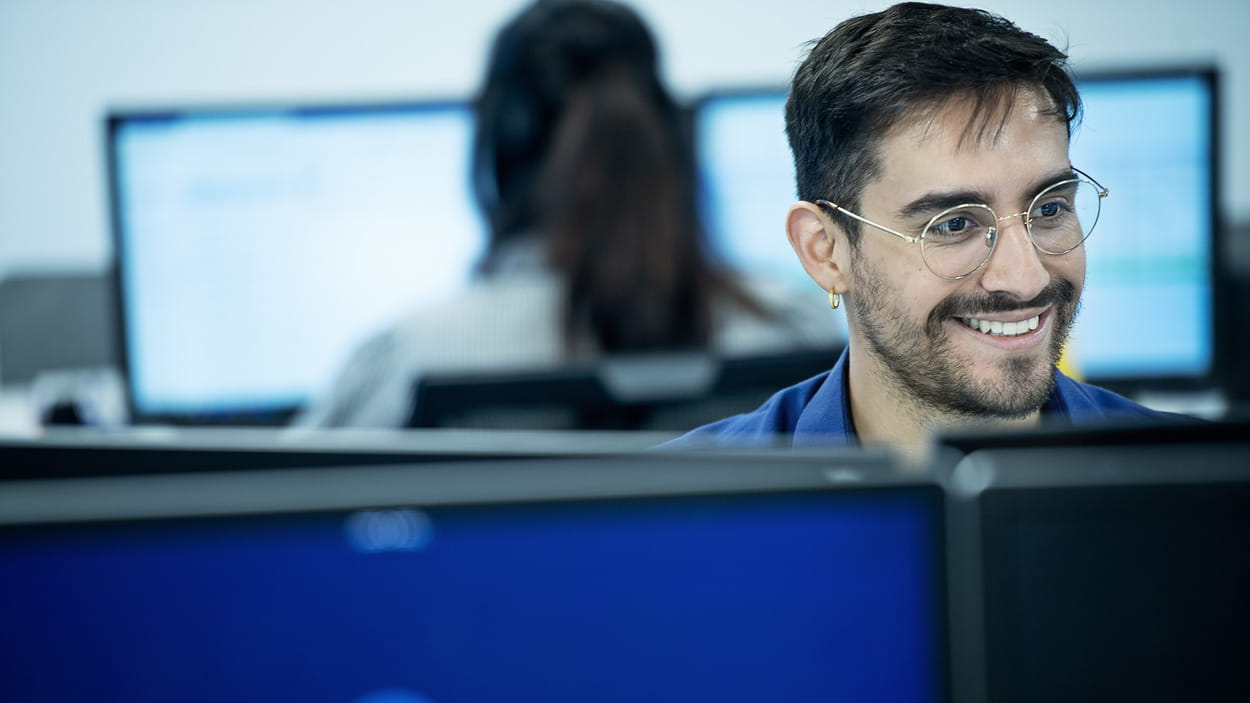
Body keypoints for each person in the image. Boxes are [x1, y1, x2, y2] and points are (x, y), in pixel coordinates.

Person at [296, 0, 838, 428]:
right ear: (671, 142)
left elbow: (262, 503)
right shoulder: (798, 333)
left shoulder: (416, 356)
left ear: (499, 148)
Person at [669, 2, 1184, 450]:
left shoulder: (1203, 492)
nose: (1025, 277)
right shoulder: (673, 514)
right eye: (954, 224)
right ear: (825, 251)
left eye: (1049, 210)